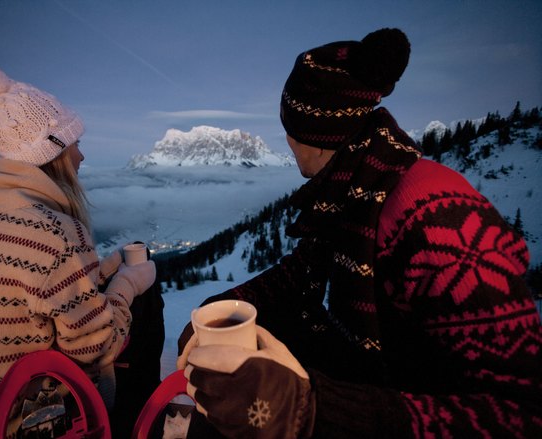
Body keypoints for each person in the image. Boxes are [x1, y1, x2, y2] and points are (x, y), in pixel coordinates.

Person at [177, 28, 542, 438]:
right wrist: (223, 307)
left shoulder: (439, 217)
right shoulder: (355, 191)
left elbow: (521, 413)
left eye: (289, 129)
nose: (286, 142)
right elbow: (301, 270)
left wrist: (312, 410)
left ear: (313, 137)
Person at [0, 61, 159, 437]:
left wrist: (101, 272)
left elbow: (34, 289)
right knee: (148, 303)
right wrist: (128, 286)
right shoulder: (52, 230)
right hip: (23, 420)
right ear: (53, 149)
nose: (82, 157)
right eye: (77, 143)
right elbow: (96, 347)